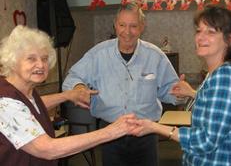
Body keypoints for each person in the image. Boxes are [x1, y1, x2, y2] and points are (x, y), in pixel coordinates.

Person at [129, 5, 231, 166]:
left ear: (230, 39)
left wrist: (156, 127)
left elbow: (206, 140)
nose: (200, 37)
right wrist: (193, 93)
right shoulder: (217, 73)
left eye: (211, 32)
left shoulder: (226, 75)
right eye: (199, 31)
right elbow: (218, 108)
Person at [0, 25, 136, 166]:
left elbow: (31, 106)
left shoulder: (24, 90)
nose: (40, 65)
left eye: (44, 58)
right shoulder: (4, 100)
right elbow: (47, 149)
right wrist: (111, 131)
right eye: (31, 59)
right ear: (13, 61)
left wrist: (68, 95)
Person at [62, 2, 179, 166]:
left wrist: (179, 92)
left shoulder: (155, 56)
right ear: (115, 25)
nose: (127, 32)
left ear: (142, 27)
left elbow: (170, 90)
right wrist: (79, 87)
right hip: (110, 133)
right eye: (122, 25)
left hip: (146, 133)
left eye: (133, 26)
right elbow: (72, 77)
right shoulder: (98, 54)